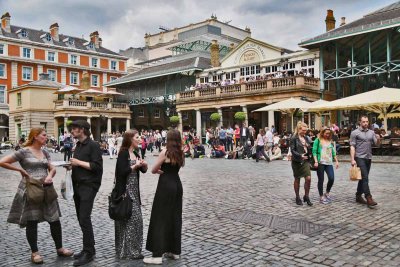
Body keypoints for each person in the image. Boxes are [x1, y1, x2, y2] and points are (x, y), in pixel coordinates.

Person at [0, 128, 73, 264]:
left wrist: (50, 176)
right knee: (32, 220)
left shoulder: (45, 151)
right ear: (35, 136)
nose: (47, 137)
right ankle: (35, 253)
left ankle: (60, 248)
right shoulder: (23, 151)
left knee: (54, 219)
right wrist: (20, 169)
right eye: (44, 135)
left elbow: (52, 168)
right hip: (31, 188)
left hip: (46, 187)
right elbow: (3, 161)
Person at [144, 130, 184, 265]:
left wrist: (161, 171)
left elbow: (153, 169)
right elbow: (179, 167)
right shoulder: (180, 152)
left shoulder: (165, 152)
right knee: (175, 217)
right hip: (177, 185)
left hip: (166, 184)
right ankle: (174, 251)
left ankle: (157, 255)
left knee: (160, 217)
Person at [68, 120, 103, 266]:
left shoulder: (93, 145)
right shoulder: (79, 145)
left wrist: (77, 163)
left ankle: (88, 252)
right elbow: (79, 163)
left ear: (82, 129)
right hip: (77, 185)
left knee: (84, 217)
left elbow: (97, 167)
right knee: (81, 218)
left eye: (74, 128)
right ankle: (89, 248)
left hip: (89, 186)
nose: (71, 131)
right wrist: (71, 166)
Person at [114, 130, 148, 259]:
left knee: (136, 220)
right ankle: (125, 251)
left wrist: (143, 165)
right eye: (137, 137)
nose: (140, 139)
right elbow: (121, 172)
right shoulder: (123, 153)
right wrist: (135, 166)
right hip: (124, 191)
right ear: (130, 139)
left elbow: (143, 171)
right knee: (126, 219)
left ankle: (134, 250)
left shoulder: (135, 152)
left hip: (134, 191)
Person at [350, 116, 379, 208]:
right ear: (360, 122)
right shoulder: (355, 133)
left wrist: (378, 139)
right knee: (365, 177)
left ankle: (358, 195)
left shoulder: (371, 132)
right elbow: (352, 146)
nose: (365, 123)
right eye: (363, 122)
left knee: (363, 178)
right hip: (359, 157)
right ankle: (368, 197)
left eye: (367, 122)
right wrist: (352, 159)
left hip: (368, 157)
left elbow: (377, 144)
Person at [312, 128, 339, 204]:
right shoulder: (318, 140)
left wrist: (336, 161)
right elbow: (314, 151)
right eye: (326, 133)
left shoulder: (330, 141)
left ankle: (327, 193)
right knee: (321, 180)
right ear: (322, 133)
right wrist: (316, 161)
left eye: (329, 134)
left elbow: (333, 152)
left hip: (329, 162)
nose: (327, 135)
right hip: (320, 162)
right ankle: (321, 197)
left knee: (331, 178)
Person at [290, 122, 313, 206]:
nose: (305, 132)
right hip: (297, 161)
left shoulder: (306, 137)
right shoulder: (293, 138)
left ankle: (306, 196)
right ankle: (297, 197)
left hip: (306, 161)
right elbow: (292, 150)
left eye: (306, 130)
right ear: (299, 129)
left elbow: (311, 147)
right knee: (297, 179)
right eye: (303, 130)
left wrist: (308, 146)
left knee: (308, 178)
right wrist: (300, 155)